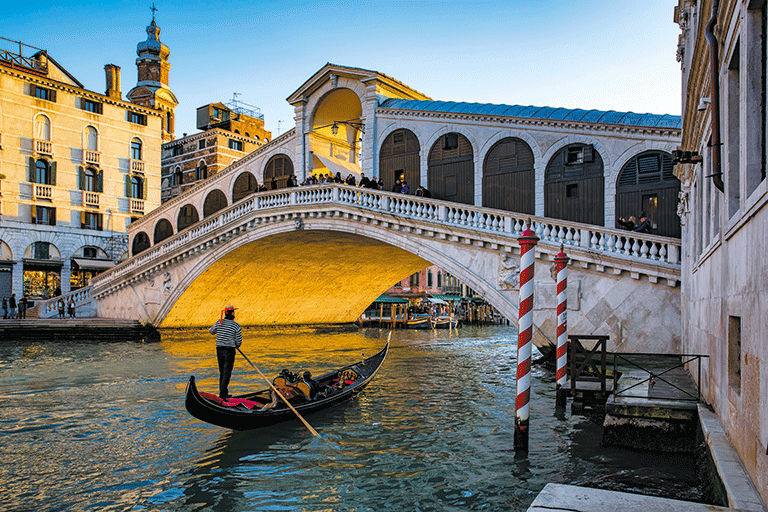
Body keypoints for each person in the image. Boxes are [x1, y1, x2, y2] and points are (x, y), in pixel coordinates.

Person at [209, 305, 243, 399]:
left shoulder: (219, 322)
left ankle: (223, 393)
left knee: (222, 371)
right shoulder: (236, 325)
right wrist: (236, 345)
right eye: (234, 312)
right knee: (227, 372)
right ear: (232, 313)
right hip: (230, 350)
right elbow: (239, 340)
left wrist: (219, 328)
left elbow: (211, 331)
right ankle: (223, 394)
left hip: (219, 349)